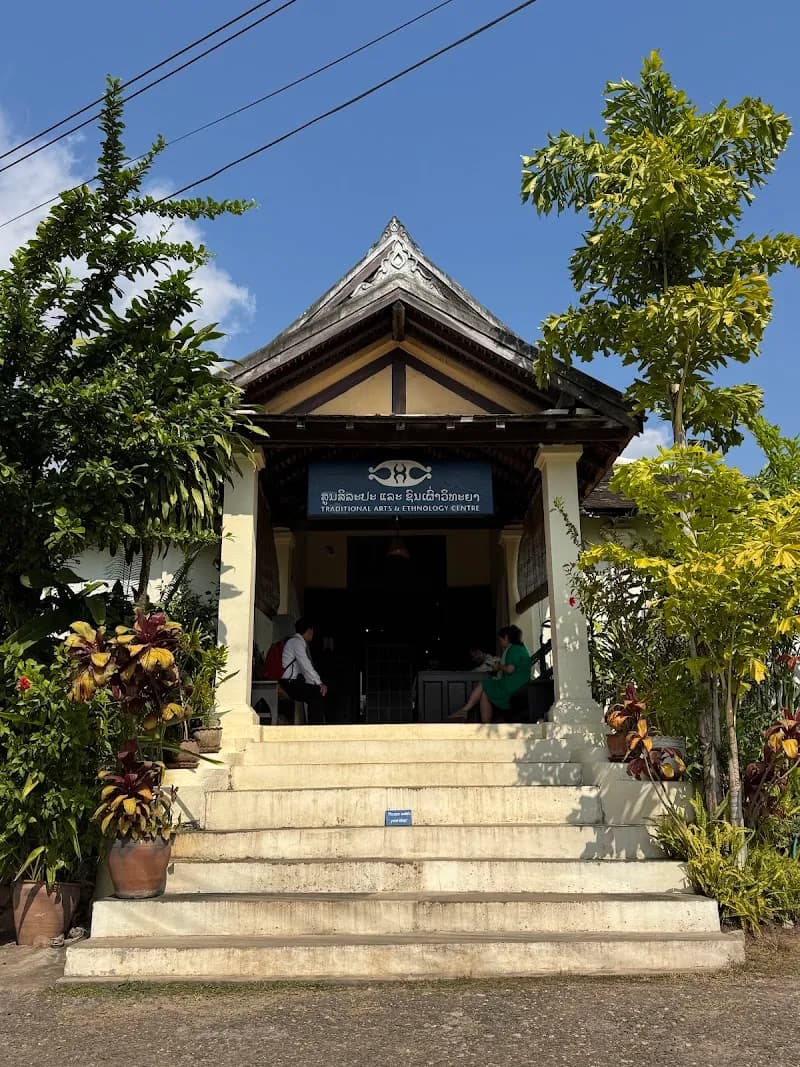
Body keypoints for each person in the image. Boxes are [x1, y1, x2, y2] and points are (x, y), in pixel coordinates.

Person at [450, 625, 531, 724]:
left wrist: (498, 667)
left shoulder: (513, 649)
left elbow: (510, 669)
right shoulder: (522, 648)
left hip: (513, 684)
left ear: (506, 637)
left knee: (484, 684)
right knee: (485, 693)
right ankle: (484, 724)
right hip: (520, 682)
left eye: (501, 640)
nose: (500, 643)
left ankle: (465, 710)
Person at [281, 617, 328, 725]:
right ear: (308, 630)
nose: (313, 633)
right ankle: (315, 727)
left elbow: (304, 669)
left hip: (293, 681)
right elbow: (305, 665)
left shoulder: (296, 642)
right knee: (316, 693)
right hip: (289, 683)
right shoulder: (297, 642)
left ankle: (315, 725)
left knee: (316, 691)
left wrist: (317, 684)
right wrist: (319, 683)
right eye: (311, 630)